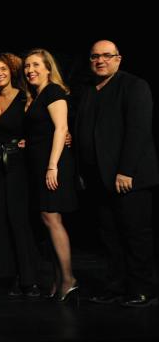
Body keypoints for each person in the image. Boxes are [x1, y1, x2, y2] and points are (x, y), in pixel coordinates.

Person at [77, 41, 158, 308]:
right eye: (95, 57)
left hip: (129, 178)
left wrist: (126, 171)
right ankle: (115, 287)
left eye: (106, 56)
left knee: (135, 235)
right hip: (98, 178)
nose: (100, 60)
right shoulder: (88, 89)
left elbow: (138, 131)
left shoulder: (134, 86)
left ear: (118, 59)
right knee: (109, 237)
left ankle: (142, 288)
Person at [0, 53, 41, 297]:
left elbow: (40, 125)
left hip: (19, 166)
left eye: (3, 69)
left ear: (11, 70)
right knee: (1, 222)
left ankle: (31, 279)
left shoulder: (25, 97)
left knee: (20, 221)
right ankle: (12, 275)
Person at [23, 49, 79, 303]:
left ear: (48, 68)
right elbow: (41, 129)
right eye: (27, 66)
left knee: (52, 218)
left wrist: (52, 165)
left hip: (52, 165)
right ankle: (58, 277)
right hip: (37, 164)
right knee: (47, 220)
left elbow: (61, 128)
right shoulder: (35, 96)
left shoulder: (54, 91)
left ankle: (68, 278)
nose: (30, 69)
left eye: (36, 64)